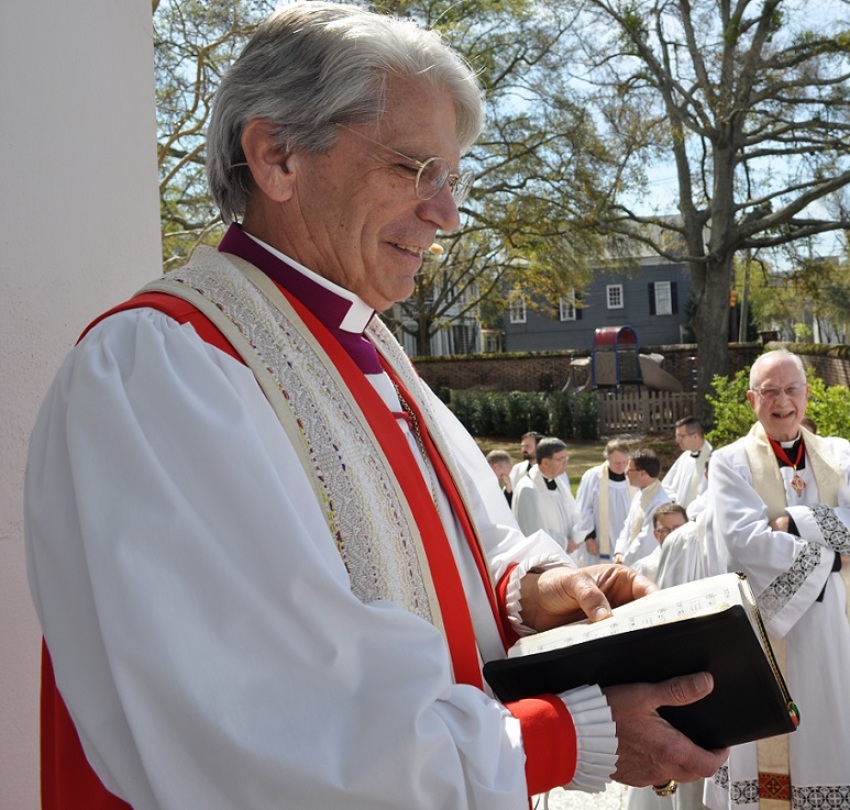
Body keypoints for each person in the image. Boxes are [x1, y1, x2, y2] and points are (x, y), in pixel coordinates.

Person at [24, 5, 728, 808]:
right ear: (277, 155)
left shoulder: (371, 350)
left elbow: (458, 549)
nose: (447, 214)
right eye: (414, 169)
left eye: (451, 178)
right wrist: (566, 735)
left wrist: (529, 592)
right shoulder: (161, 370)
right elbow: (282, 732)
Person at [703, 348, 850, 810]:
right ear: (752, 399)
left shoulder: (841, 454)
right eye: (770, 391)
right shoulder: (730, 462)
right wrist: (833, 562)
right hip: (761, 635)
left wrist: (794, 519)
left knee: (829, 729)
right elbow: (745, 543)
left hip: (832, 630)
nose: (781, 401)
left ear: (807, 396)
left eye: (791, 390)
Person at [627, 503, 710, 810]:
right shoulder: (644, 570)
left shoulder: (701, 562)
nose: (674, 535)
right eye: (667, 530)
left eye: (680, 528)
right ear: (655, 533)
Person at [512, 437, 581, 556]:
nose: (566, 463)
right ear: (545, 462)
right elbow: (533, 532)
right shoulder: (528, 489)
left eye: (566, 458)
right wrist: (565, 544)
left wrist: (576, 537)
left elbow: (574, 511)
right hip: (546, 559)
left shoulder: (558, 481)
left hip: (568, 553)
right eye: (561, 459)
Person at [574, 439, 635, 564]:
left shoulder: (633, 476)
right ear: (607, 458)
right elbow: (583, 508)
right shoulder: (593, 477)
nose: (622, 467)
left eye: (625, 462)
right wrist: (588, 537)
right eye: (617, 463)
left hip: (626, 537)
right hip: (600, 540)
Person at [614, 449, 672, 568]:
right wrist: (619, 551)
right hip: (629, 560)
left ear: (643, 473)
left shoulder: (660, 503)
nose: (626, 473)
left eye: (630, 470)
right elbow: (628, 525)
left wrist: (625, 561)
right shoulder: (640, 493)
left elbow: (646, 540)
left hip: (645, 566)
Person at [662, 417, 711, 511]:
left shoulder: (712, 459)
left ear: (695, 436)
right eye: (677, 436)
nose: (677, 440)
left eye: (681, 436)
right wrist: (673, 501)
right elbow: (667, 485)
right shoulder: (684, 457)